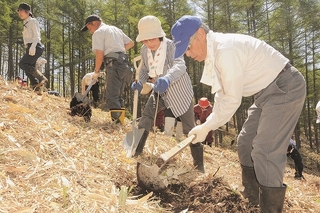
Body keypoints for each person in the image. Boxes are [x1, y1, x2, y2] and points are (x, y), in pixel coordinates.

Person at [171, 15, 306, 212]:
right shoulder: (214, 54)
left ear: (200, 34)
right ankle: (252, 200)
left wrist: (208, 126)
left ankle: (270, 209)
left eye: (188, 48)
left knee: (265, 149)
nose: (188, 54)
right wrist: (206, 125)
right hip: (264, 94)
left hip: (284, 87)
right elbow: (222, 95)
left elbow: (232, 99)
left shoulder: (226, 50)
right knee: (245, 143)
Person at [131, 15, 204, 172]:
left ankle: (199, 166)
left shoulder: (171, 46)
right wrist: (140, 82)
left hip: (179, 92)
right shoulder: (145, 51)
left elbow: (180, 66)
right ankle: (136, 150)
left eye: (152, 39)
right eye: (145, 40)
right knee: (146, 116)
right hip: (160, 91)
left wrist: (167, 79)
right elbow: (144, 70)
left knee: (190, 129)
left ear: (159, 35)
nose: (149, 44)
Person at [81, 14, 134, 122]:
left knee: (111, 96)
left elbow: (99, 55)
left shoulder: (98, 33)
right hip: (124, 64)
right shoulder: (115, 29)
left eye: (90, 28)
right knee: (118, 95)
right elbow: (130, 43)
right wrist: (118, 52)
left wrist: (96, 72)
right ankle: (121, 123)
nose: (91, 31)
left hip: (114, 65)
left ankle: (117, 125)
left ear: (95, 23)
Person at [17, 3, 47, 90]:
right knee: (28, 69)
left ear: (27, 12)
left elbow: (37, 36)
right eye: (18, 11)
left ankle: (41, 78)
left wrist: (33, 46)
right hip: (31, 46)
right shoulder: (26, 22)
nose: (20, 13)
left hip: (35, 46)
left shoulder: (33, 21)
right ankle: (35, 87)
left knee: (23, 64)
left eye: (21, 11)